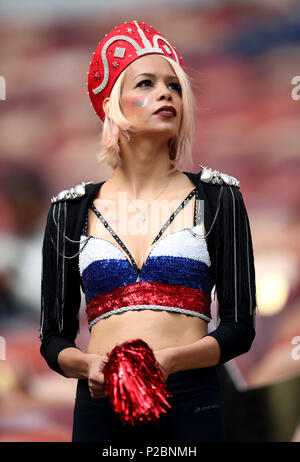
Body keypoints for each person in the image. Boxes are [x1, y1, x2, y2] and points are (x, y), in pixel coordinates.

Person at [39, 20, 257, 443]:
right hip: (100, 406)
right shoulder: (67, 210)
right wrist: (87, 366)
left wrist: (171, 362)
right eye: (146, 83)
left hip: (192, 401)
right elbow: (53, 336)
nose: (165, 93)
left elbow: (239, 327)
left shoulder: (219, 198)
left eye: (173, 86)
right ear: (113, 105)